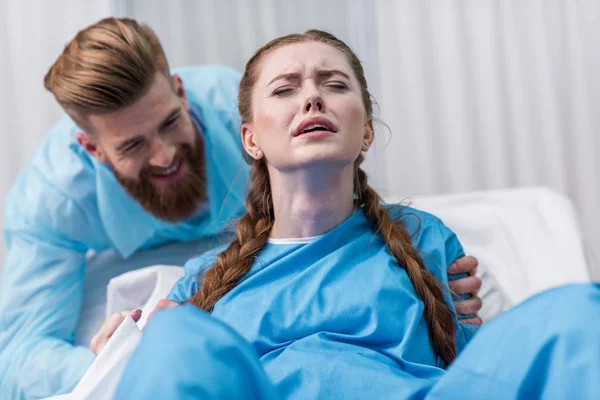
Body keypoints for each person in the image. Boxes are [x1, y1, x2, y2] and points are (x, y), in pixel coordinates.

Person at [0, 17, 481, 400]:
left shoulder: (259, 115)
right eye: (133, 147)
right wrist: (119, 362)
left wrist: (426, 272)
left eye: (171, 122)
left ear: (182, 94)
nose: (166, 155)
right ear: (93, 150)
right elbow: (16, 355)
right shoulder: (54, 201)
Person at [102, 29, 599, 399]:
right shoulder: (207, 280)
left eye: (334, 84)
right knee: (171, 339)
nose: (312, 97)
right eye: (284, 90)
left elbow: (474, 368)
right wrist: (125, 347)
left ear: (365, 131)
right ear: (251, 139)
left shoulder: (423, 239)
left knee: (578, 310)